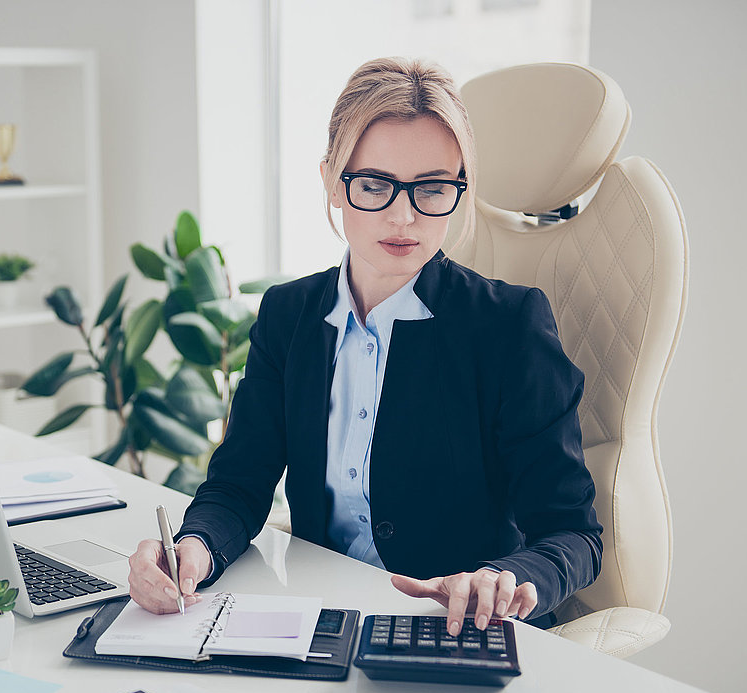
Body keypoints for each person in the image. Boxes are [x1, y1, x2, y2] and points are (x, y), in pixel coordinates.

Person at [128, 57, 602, 636]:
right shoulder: (288, 314)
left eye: (432, 188)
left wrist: (505, 578)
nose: (404, 216)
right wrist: (194, 548)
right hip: (318, 619)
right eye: (374, 185)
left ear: (461, 189)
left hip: (450, 627)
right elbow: (238, 485)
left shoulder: (509, 326)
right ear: (333, 180)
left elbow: (572, 534)